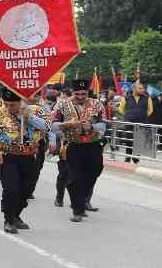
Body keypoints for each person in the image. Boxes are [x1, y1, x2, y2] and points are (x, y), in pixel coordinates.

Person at [0, 88, 49, 234]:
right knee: (10, 189)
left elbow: (48, 127)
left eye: (12, 105)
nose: (9, 107)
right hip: (7, 156)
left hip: (30, 156)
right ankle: (8, 219)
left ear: (20, 101)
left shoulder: (35, 110)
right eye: (6, 104)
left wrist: (29, 117)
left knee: (26, 190)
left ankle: (16, 215)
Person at [50, 80, 106, 222]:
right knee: (74, 178)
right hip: (73, 145)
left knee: (95, 171)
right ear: (73, 92)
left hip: (93, 144)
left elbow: (104, 124)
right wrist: (65, 124)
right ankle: (77, 209)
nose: (80, 96)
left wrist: (92, 127)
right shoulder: (62, 104)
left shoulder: (97, 104)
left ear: (88, 92)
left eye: (83, 93)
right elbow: (53, 125)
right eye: (77, 94)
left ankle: (82, 199)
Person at [117, 82, 153, 164]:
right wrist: (129, 116)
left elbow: (150, 110)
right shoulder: (125, 98)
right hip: (129, 122)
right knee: (129, 140)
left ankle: (136, 158)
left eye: (142, 88)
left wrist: (142, 116)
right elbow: (121, 109)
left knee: (139, 140)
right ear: (134, 89)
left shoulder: (147, 98)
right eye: (140, 88)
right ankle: (128, 157)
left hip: (141, 122)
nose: (142, 90)